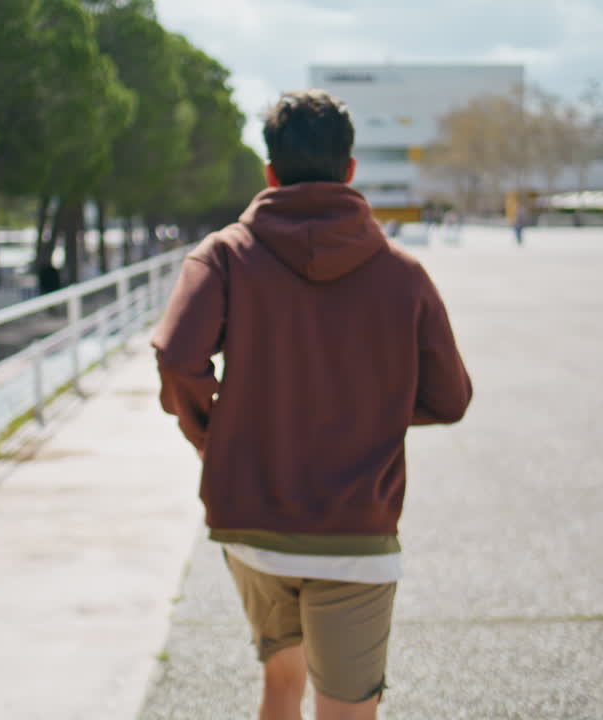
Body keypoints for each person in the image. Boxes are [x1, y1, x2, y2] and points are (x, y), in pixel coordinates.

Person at [152, 90, 472, 720]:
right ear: (350, 169)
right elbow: (451, 398)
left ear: (270, 172)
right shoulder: (403, 274)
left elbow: (175, 356)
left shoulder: (223, 255)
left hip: (251, 518)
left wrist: (218, 436)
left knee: (278, 689)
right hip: (355, 531)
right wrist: (364, 401)